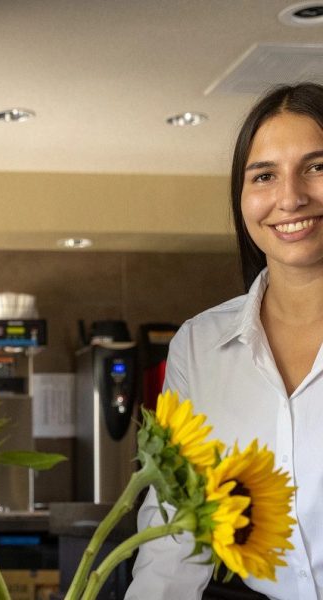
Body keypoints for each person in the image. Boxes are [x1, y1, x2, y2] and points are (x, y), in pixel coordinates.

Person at [125, 82, 323, 599]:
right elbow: (174, 531)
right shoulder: (199, 344)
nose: (291, 197)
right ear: (242, 198)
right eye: (264, 175)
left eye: (317, 167)